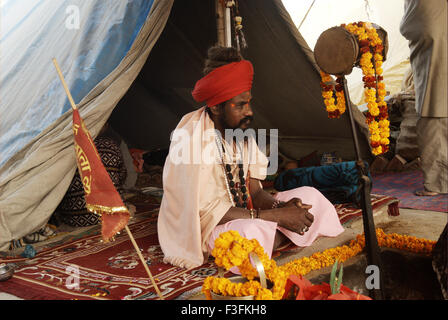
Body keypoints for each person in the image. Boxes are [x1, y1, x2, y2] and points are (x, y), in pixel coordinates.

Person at [157, 46, 344, 269]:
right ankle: (278, 236)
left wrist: (281, 205)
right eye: (241, 105)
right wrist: (278, 216)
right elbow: (206, 213)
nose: (250, 112)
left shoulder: (240, 132)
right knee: (248, 234)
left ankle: (274, 236)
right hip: (208, 226)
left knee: (311, 197)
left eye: (249, 102)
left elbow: (254, 191)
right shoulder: (190, 138)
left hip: (246, 212)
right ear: (216, 107)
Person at [400, 0, 448, 196]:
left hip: (435, 59)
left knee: (433, 121)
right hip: (434, 52)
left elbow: (418, 26)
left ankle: (437, 184)